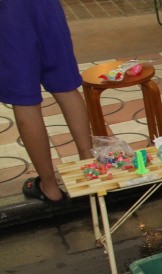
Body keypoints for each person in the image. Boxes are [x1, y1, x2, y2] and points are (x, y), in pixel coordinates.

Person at [0, 0, 93, 204]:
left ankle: (50, 187)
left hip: (9, 14)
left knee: (26, 101)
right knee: (67, 88)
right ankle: (90, 170)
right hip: (46, 7)